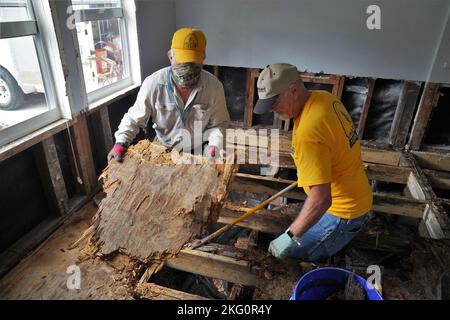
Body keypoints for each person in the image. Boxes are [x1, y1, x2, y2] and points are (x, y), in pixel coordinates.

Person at [253, 63, 373, 261]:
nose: (273, 110)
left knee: (292, 256)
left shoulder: (309, 132)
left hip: (342, 212)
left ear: (293, 89)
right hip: (355, 192)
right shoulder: (324, 98)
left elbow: (321, 199)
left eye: (275, 102)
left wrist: (289, 236)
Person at [108, 28, 230, 162]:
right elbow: (134, 118)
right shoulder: (154, 84)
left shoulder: (214, 87)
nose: (187, 68)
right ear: (170, 56)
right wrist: (121, 142)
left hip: (198, 151)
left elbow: (219, 124)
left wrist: (215, 145)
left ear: (203, 59)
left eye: (193, 62)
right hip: (163, 150)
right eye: (182, 61)